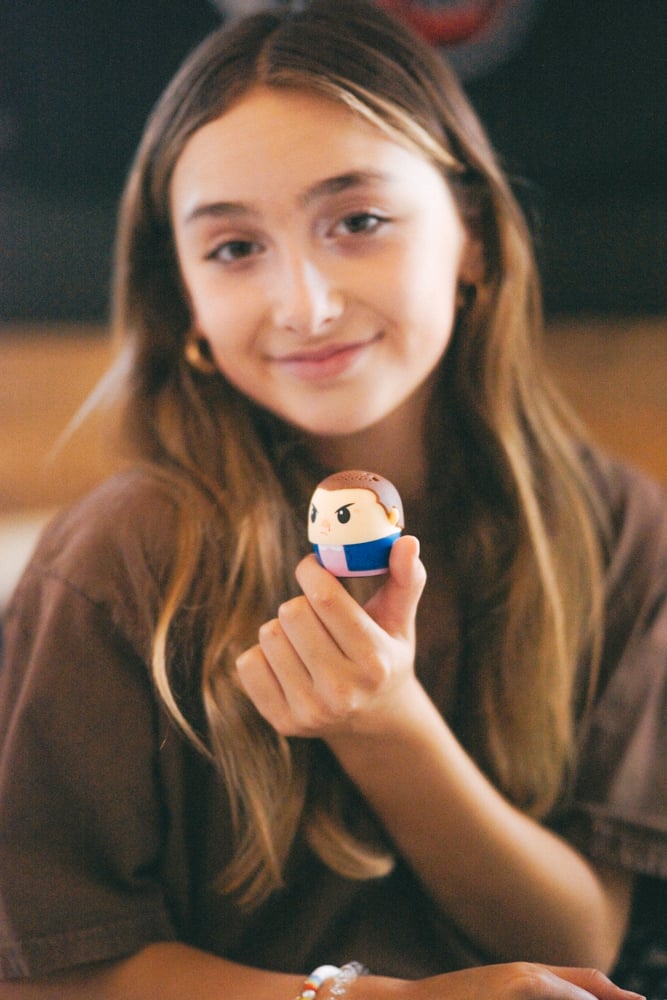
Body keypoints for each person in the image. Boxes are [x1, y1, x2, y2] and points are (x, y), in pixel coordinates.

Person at [0, 1, 664, 997]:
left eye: (357, 221)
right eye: (233, 248)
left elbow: (583, 937)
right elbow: (47, 971)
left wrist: (385, 722)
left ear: (471, 235)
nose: (304, 303)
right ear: (184, 300)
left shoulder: (613, 525)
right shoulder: (118, 559)